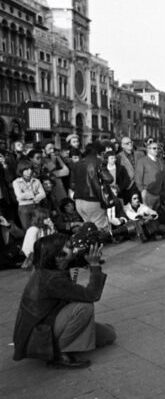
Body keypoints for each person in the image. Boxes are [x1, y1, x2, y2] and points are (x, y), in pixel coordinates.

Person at [13, 233, 115, 369]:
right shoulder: (51, 279)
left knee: (108, 335)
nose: (73, 249)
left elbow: (75, 259)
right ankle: (60, 354)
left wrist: (89, 250)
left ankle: (69, 341)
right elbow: (92, 295)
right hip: (39, 334)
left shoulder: (51, 267)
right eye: (69, 247)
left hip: (49, 322)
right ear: (57, 255)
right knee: (84, 307)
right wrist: (95, 264)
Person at [70, 143, 113, 230]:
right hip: (94, 200)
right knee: (101, 229)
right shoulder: (98, 162)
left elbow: (72, 185)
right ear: (100, 152)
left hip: (79, 201)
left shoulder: (77, 164)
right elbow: (109, 179)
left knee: (89, 228)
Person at [134, 141, 165, 210]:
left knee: (159, 215)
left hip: (160, 193)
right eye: (154, 148)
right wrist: (142, 190)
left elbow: (164, 177)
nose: (157, 150)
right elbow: (138, 178)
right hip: (148, 193)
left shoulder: (160, 160)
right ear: (148, 149)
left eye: (158, 148)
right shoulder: (142, 161)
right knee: (149, 215)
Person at [13, 160, 46, 229]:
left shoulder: (36, 181)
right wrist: (34, 193)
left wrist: (32, 198)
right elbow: (20, 196)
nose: (29, 171)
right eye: (26, 169)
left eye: (30, 169)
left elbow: (43, 194)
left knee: (40, 227)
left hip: (36, 206)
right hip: (24, 208)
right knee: (28, 229)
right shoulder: (16, 182)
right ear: (21, 170)